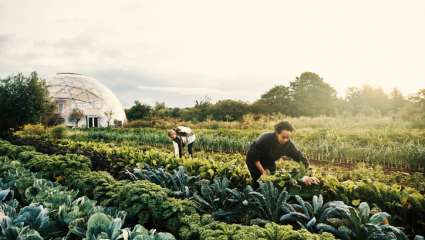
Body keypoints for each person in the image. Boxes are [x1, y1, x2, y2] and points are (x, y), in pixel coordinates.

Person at [245, 121, 319, 187]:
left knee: (272, 180)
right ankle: (254, 192)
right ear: (277, 133)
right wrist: (263, 172)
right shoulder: (265, 139)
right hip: (254, 161)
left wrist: (306, 175)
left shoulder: (289, 145)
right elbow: (255, 158)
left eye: (288, 138)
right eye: (283, 137)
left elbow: (300, 158)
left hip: (269, 160)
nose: (285, 140)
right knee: (259, 181)